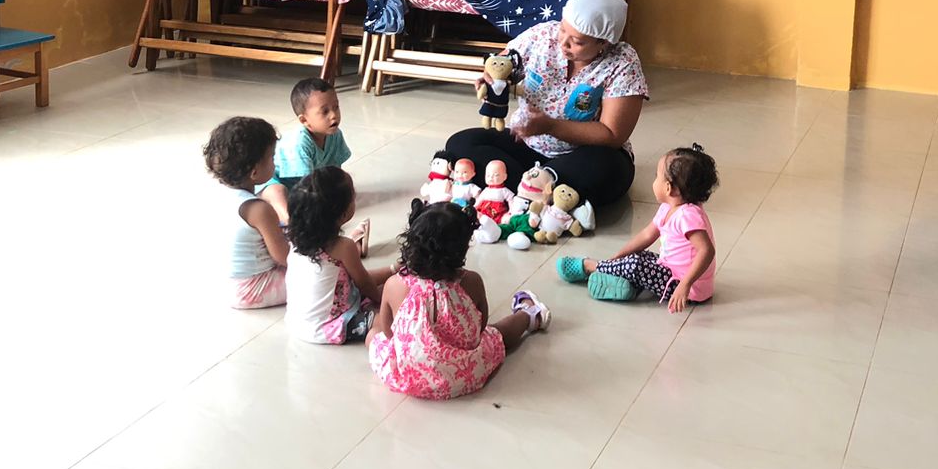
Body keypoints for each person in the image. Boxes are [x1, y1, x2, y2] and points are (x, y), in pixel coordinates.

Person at [443, 0, 647, 207]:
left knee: (609, 168)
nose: (563, 43)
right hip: (527, 143)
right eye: (563, 29)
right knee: (460, 144)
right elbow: (502, 63)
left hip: (582, 154)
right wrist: (493, 80)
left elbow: (612, 134)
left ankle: (521, 190)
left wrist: (550, 126)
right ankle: (538, 192)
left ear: (604, 43)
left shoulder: (622, 61)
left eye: (577, 41)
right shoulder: (542, 36)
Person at [367, 201, 549, 399]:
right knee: (496, 335)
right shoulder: (471, 281)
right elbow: (480, 327)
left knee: (373, 335)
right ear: (463, 248)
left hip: (409, 376)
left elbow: (388, 332)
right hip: (464, 374)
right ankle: (529, 315)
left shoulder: (394, 284)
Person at [557, 144, 718, 312]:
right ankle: (628, 287)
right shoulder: (668, 207)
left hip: (688, 287)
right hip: (670, 269)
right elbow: (647, 235)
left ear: (669, 188)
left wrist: (685, 285)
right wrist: (620, 256)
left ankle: (590, 267)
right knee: (637, 256)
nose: (654, 181)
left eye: (657, 176)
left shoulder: (688, 215)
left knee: (635, 264)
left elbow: (706, 251)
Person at [284, 167, 393, 344]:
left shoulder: (295, 240)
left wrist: (393, 269)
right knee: (393, 312)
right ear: (343, 214)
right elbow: (365, 284)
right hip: (329, 327)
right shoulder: (343, 247)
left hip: (297, 323)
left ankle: (393, 271)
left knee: (388, 287)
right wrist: (383, 302)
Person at [261, 78, 369, 254]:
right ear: (304, 120)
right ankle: (292, 228)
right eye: (324, 111)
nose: (334, 115)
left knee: (342, 202)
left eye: (336, 107)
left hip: (310, 186)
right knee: (277, 192)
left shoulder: (335, 135)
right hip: (280, 182)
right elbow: (307, 188)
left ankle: (333, 244)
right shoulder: (300, 143)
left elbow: (335, 173)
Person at [203, 116, 290, 309]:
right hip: (253, 288)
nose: (274, 162)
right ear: (254, 172)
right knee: (323, 272)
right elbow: (284, 257)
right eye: (272, 157)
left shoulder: (221, 194)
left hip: (226, 283)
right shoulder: (259, 210)